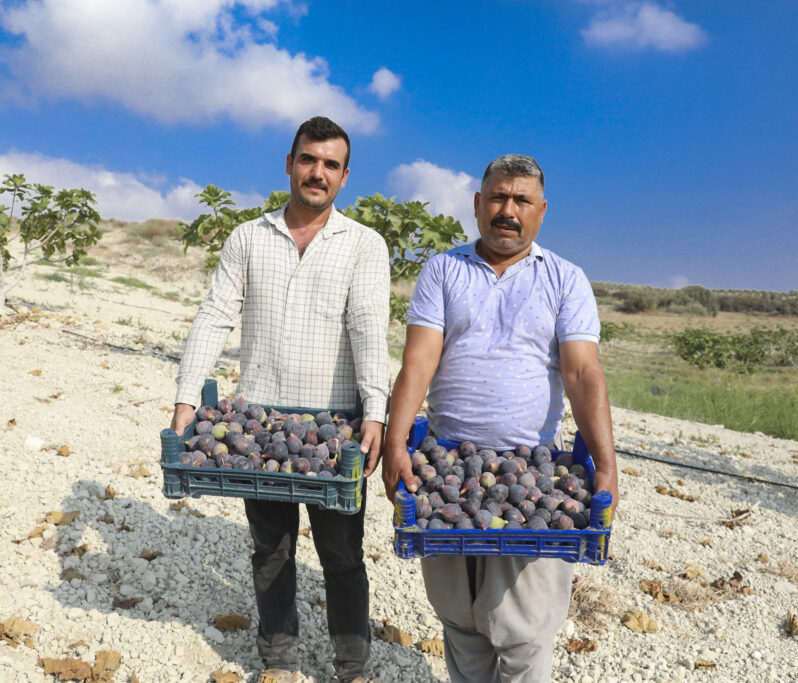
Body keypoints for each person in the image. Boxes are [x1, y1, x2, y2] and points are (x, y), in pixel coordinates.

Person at [379, 154, 619, 682]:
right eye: (498, 198)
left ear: (541, 211)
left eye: (521, 201)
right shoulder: (444, 269)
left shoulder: (565, 279)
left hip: (533, 469)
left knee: (524, 630)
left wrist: (606, 463)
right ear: (478, 204)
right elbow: (419, 359)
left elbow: (582, 373)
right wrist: (397, 440)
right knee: (460, 621)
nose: (507, 211)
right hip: (446, 466)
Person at [171, 116, 390, 683]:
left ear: (345, 176)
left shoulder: (364, 245)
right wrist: (186, 396)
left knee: (342, 554)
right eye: (309, 159)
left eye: (331, 164)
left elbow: (369, 329)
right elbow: (216, 313)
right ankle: (279, 662)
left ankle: (352, 666)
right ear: (289, 163)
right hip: (259, 425)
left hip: (334, 427)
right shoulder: (248, 237)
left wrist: (375, 414)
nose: (318, 172)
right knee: (270, 550)